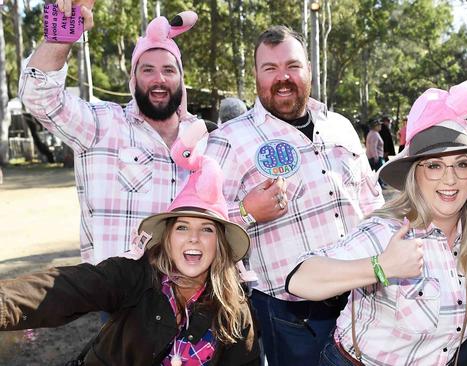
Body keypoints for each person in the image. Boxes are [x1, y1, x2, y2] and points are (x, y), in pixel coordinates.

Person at [286, 76, 467, 365]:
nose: (450, 178)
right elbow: (300, 279)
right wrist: (381, 267)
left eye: (462, 164)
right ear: (414, 176)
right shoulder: (388, 232)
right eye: (434, 165)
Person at [0, 122, 259, 365]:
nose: (193, 237)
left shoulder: (235, 311)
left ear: (220, 244)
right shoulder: (133, 275)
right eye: (182, 227)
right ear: (167, 239)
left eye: (207, 229)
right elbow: (65, 288)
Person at [206, 26, 384, 365]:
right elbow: (199, 228)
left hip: (364, 297)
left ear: (309, 71)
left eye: (292, 65)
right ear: (256, 76)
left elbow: (371, 203)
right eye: (270, 68)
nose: (282, 77)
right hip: (292, 315)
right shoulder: (229, 141)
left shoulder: (340, 127)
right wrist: (246, 212)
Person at [19, 0, 204, 264]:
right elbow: (39, 98)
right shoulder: (102, 124)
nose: (159, 79)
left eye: (168, 70)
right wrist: (61, 38)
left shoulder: (201, 139)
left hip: (184, 297)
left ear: (181, 80)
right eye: (147, 70)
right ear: (133, 80)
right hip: (114, 297)